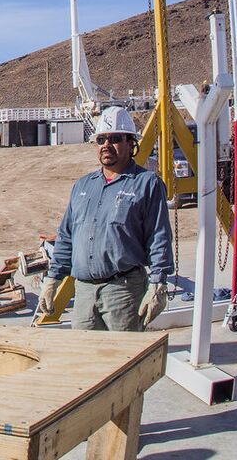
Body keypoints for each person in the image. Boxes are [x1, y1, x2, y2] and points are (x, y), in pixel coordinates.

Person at [41, 105, 173, 331]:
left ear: (131, 143)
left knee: (124, 359)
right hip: (84, 292)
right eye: (101, 139)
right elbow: (66, 237)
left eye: (114, 138)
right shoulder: (82, 186)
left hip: (123, 292)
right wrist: (52, 279)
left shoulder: (146, 184)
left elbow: (159, 237)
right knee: (87, 361)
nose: (106, 145)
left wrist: (158, 283)